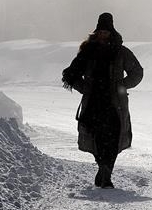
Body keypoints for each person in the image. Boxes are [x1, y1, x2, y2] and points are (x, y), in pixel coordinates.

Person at [61, 12, 144, 189]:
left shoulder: (121, 52)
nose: (103, 34)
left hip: (115, 105)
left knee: (113, 138)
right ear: (97, 31)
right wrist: (85, 88)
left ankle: (106, 172)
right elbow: (71, 74)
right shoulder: (88, 52)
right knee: (97, 139)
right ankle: (103, 169)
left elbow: (137, 73)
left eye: (106, 31)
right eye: (100, 31)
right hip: (93, 104)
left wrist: (121, 85)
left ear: (111, 31)